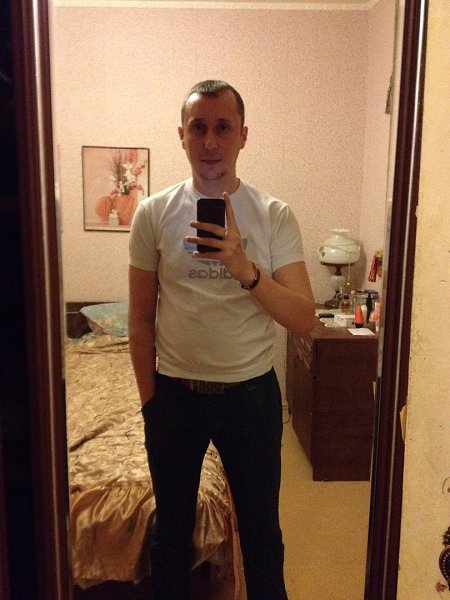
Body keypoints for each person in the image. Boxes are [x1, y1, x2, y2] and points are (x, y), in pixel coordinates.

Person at [128, 79, 315, 600]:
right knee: (170, 537)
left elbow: (304, 318)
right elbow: (139, 319)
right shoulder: (153, 213)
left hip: (250, 399)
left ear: (243, 135)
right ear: (182, 136)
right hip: (174, 398)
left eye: (223, 127)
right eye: (199, 127)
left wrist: (244, 268)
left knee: (262, 537)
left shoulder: (274, 215)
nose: (210, 141)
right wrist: (150, 404)